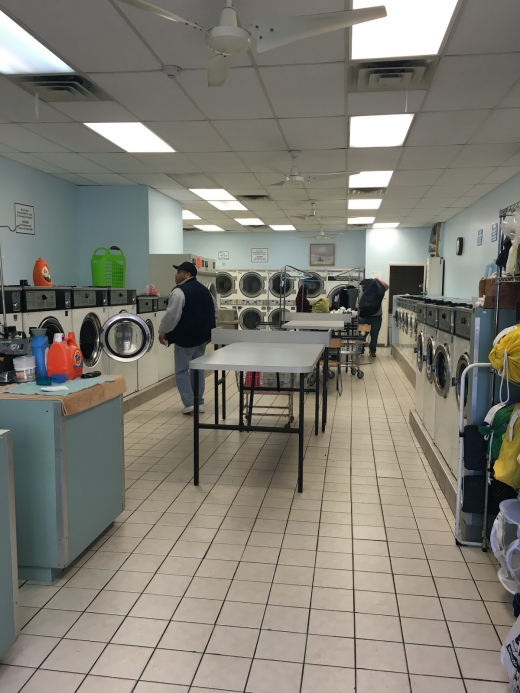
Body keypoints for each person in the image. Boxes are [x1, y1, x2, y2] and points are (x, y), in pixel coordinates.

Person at [158, 261, 218, 414]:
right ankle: (199, 402)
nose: (176, 275)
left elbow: (172, 316)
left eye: (179, 272)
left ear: (187, 275)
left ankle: (190, 403)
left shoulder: (179, 292)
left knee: (182, 370)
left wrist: (162, 332)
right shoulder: (206, 291)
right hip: (203, 338)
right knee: (197, 369)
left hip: (186, 339)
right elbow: (215, 312)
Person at [357, 278, 389, 357]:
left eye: (363, 286)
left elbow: (357, 305)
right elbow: (387, 286)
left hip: (369, 317)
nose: (362, 288)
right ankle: (368, 351)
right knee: (369, 335)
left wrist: (377, 279)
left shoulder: (370, 293)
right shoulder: (375, 292)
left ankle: (366, 350)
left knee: (366, 335)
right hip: (372, 317)